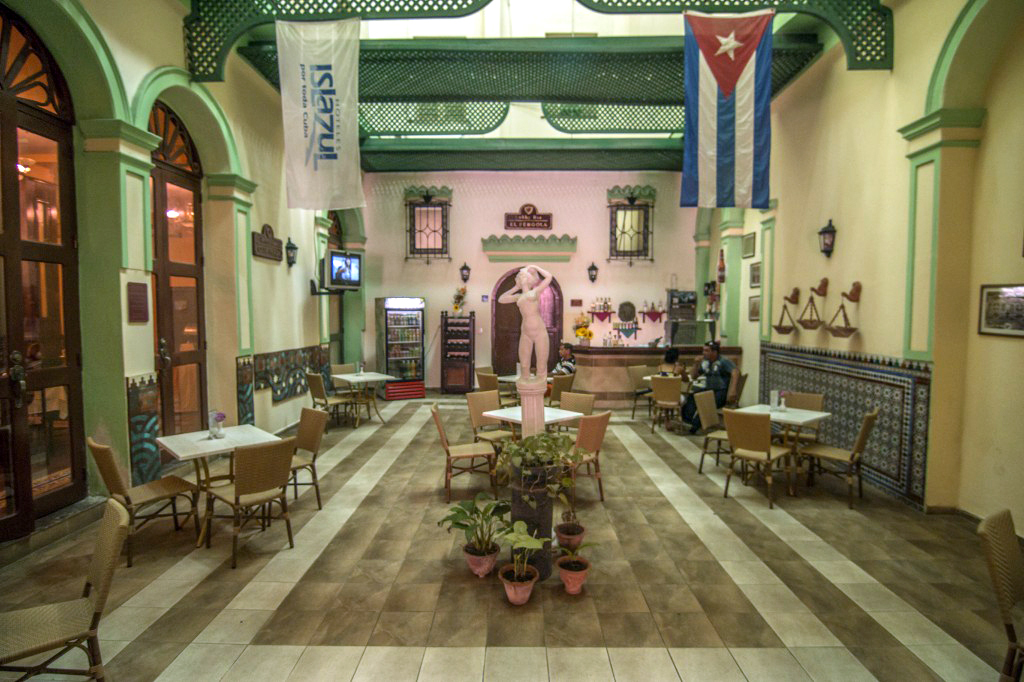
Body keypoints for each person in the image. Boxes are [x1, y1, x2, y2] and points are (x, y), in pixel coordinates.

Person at [497, 264, 553, 381]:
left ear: (529, 279)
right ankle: (525, 386)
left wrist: (535, 267)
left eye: (523, 276)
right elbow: (501, 299)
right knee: (524, 365)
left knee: (541, 365)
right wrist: (516, 287)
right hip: (525, 333)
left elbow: (549, 277)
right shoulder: (519, 296)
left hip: (540, 332)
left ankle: (539, 388)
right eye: (520, 276)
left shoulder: (535, 292)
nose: (521, 278)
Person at [681, 340, 735, 433]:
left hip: (721, 391)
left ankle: (694, 426)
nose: (703, 353)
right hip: (708, 389)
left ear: (714, 352)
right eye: (703, 350)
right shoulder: (705, 362)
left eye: (706, 350)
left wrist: (733, 390)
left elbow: (736, 372)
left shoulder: (723, 361)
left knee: (707, 403)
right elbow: (694, 376)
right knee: (692, 397)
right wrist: (696, 364)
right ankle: (687, 422)